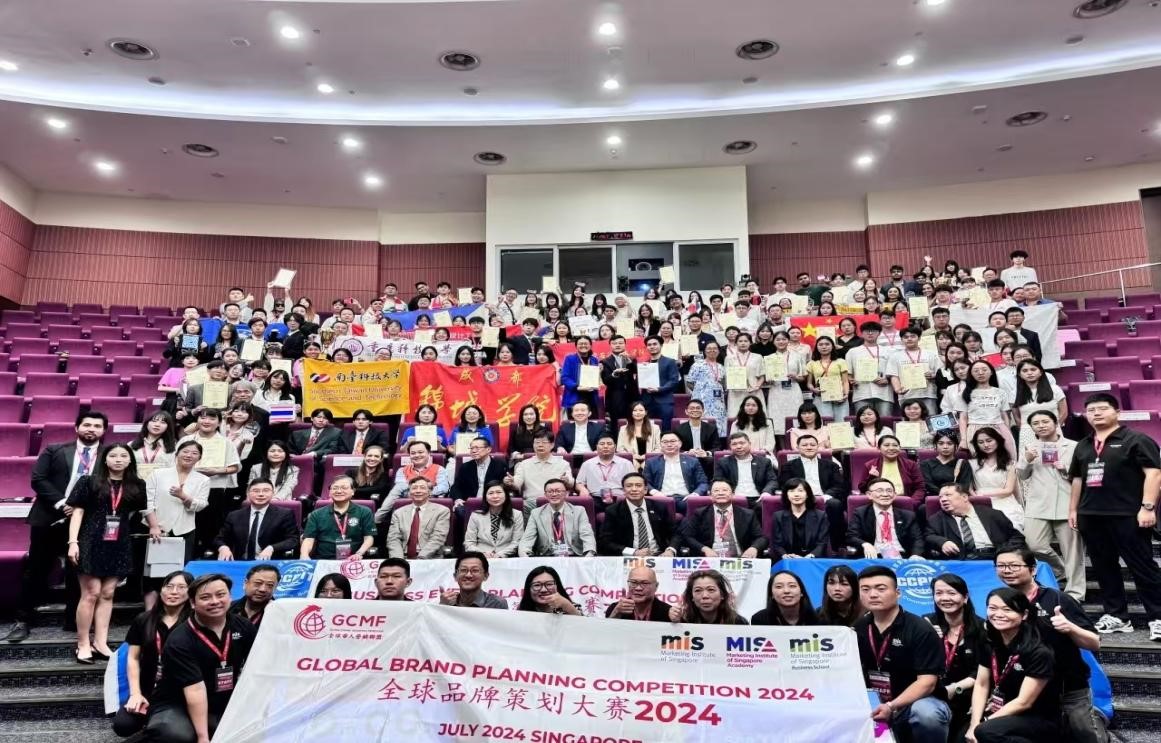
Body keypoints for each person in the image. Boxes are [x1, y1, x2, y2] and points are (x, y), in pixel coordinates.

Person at [7, 411, 107, 643]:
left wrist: (84, 508)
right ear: (77, 428)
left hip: (86, 520)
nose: (91, 429)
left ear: (103, 431)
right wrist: (63, 504)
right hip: (49, 517)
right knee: (36, 569)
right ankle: (23, 619)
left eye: (97, 426)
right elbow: (38, 479)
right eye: (87, 425)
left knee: (78, 571)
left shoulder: (108, 455)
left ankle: (73, 619)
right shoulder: (54, 450)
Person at [1068, 392, 1161, 639]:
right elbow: (1077, 480)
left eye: (1102, 408)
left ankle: (1158, 617)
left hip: (1128, 515)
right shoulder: (1083, 445)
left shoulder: (1136, 440)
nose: (1096, 413)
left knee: (1143, 567)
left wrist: (1148, 507)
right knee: (1104, 568)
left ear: (1117, 412)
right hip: (1091, 515)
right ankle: (1118, 616)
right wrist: (1073, 510)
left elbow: (1154, 474)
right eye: (1091, 410)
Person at [993, 545, 1105, 742]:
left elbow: (1094, 643)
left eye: (1014, 565)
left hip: (1066, 688)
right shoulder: (999, 602)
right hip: (1023, 688)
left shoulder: (1058, 599)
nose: (1007, 570)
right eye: (1001, 566)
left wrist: (1071, 628)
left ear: (1033, 569)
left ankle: (1096, 719)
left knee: (1084, 734)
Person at [144, 573, 257, 743]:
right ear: (192, 603)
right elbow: (195, 690)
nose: (215, 601)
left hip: (222, 698)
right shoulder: (180, 640)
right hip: (178, 701)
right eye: (205, 597)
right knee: (175, 734)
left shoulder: (244, 626)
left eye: (220, 594)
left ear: (230, 596)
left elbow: (259, 665)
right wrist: (202, 737)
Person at [67, 444, 146, 663]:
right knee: (91, 592)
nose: (118, 459)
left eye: (123, 456)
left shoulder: (137, 485)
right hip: (90, 540)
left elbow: (134, 513)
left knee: (108, 593)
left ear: (130, 460)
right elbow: (77, 512)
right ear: (105, 459)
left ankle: (100, 642)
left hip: (118, 542)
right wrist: (73, 542)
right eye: (113, 455)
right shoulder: (89, 481)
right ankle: (83, 643)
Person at [855, 565, 950, 743]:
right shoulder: (858, 628)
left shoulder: (920, 629)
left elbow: (927, 683)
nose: (872, 594)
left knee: (927, 714)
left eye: (880, 588)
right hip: (876, 702)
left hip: (914, 703)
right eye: (865, 589)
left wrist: (891, 706)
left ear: (897, 593)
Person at [966, 588, 1060, 743]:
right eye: (993, 608)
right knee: (965, 734)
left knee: (986, 732)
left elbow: (1024, 702)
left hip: (1037, 718)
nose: (998, 614)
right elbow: (982, 684)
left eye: (1007, 609)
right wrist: (974, 723)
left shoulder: (1039, 652)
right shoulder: (989, 642)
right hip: (1001, 710)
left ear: (1024, 614)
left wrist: (983, 723)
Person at [113, 569, 193, 737]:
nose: (174, 592)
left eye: (181, 587)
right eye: (169, 586)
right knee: (123, 725)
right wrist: (136, 694)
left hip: (182, 692)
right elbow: (133, 658)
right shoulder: (144, 619)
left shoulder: (195, 621)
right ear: (161, 590)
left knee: (170, 732)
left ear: (191, 592)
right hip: (149, 688)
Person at [1017, 410, 1084, 600]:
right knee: (1033, 544)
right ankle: (1059, 569)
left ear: (1056, 423)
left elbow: (1081, 476)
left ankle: (1075, 593)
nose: (1041, 426)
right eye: (1036, 423)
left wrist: (1065, 469)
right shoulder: (1030, 447)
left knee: (1073, 552)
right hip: (1038, 504)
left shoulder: (1074, 446)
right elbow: (1022, 476)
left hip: (1066, 503)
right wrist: (1027, 460)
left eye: (1045, 421)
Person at [926, 574, 987, 743]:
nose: (945, 598)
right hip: (932, 694)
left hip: (969, 697)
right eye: (939, 593)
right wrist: (929, 641)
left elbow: (982, 671)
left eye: (951, 593)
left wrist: (955, 688)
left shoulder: (982, 628)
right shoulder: (926, 623)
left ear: (965, 597)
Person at [144, 440, 210, 572]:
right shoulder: (158, 474)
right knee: (153, 571)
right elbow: (147, 501)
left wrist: (183, 496)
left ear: (199, 458)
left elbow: (201, 505)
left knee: (179, 571)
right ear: (177, 454)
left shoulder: (203, 479)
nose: (189, 455)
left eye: (194, 453)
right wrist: (154, 526)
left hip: (185, 529)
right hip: (156, 528)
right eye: (185, 451)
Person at [925, 484, 1022, 560]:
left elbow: (1017, 537)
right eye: (940, 497)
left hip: (994, 558)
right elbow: (928, 536)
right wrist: (942, 542)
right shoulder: (936, 519)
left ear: (964, 497)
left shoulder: (992, 514)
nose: (943, 499)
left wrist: (1006, 553)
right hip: (960, 560)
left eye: (948, 495)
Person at [213, 479, 299, 561]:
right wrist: (223, 547)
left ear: (273, 493)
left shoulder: (284, 514)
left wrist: (272, 548)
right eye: (256, 491)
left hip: (270, 563)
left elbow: (293, 540)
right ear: (248, 493)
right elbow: (219, 539)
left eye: (266, 490)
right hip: (241, 562)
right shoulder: (234, 515)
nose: (261, 494)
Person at [677, 479, 767, 557]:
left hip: (740, 559)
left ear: (733, 494)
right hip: (711, 559)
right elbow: (688, 536)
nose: (720, 493)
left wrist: (753, 548)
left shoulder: (748, 514)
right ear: (710, 495)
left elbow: (761, 538)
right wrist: (704, 549)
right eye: (716, 491)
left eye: (725, 490)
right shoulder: (700, 514)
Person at [598, 472, 677, 556]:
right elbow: (605, 541)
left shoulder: (659, 507)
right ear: (623, 490)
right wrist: (633, 552)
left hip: (659, 555)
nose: (634, 489)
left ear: (645, 490)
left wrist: (670, 550)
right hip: (629, 557)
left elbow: (675, 533)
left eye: (638, 485)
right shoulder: (613, 511)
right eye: (629, 486)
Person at [300, 477, 376, 560]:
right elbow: (308, 539)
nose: (339, 491)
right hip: (324, 560)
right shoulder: (317, 514)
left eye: (344, 488)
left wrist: (359, 553)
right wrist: (304, 555)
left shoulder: (364, 512)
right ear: (329, 493)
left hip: (354, 560)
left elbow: (369, 538)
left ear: (353, 491)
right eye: (335, 488)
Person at [847, 478, 924, 559]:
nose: (885, 494)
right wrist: (865, 544)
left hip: (902, 556)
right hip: (873, 556)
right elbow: (851, 536)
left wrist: (915, 555)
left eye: (889, 491)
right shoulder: (861, 513)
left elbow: (917, 539)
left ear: (894, 495)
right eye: (879, 491)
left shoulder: (908, 515)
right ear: (869, 495)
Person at [518, 479, 597, 557]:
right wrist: (524, 554)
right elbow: (527, 538)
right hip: (547, 557)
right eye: (550, 491)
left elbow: (587, 535)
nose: (554, 494)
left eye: (558, 491)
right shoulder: (536, 513)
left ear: (566, 493)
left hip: (573, 556)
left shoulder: (579, 511)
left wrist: (589, 554)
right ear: (545, 495)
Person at [509, 431, 574, 517]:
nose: (540, 445)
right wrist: (511, 482)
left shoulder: (563, 464)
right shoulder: (524, 464)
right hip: (532, 503)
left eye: (544, 442)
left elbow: (571, 483)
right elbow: (517, 483)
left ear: (552, 445)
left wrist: (567, 481)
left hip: (554, 502)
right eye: (537, 442)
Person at [970, 427, 1022, 531]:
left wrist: (984, 494)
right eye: (981, 442)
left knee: (1011, 526)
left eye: (989, 440)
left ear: (997, 440)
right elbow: (969, 488)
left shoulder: (1010, 463)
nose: (985, 445)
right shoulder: (972, 463)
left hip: (1005, 501)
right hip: (981, 502)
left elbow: (1009, 490)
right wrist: (976, 497)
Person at [642, 432, 709, 512]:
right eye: (665, 442)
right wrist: (655, 493)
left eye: (673, 441)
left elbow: (703, 483)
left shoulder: (692, 461)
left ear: (680, 444)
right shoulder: (651, 462)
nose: (669, 445)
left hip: (685, 499)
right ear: (661, 444)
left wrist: (694, 495)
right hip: (662, 499)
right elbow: (645, 482)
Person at [386, 477, 451, 559]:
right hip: (403, 557)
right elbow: (393, 539)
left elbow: (438, 538)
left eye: (422, 488)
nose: (418, 491)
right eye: (414, 488)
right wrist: (398, 560)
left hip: (430, 558)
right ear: (409, 492)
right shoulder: (398, 513)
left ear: (430, 492)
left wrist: (420, 558)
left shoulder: (442, 511)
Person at [381, 441, 449, 515]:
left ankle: (379, 516)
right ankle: (379, 517)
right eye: (413, 453)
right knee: (397, 489)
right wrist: (428, 486)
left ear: (429, 453)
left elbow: (443, 488)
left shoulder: (439, 469)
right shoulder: (402, 470)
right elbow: (401, 488)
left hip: (431, 503)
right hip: (407, 504)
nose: (417, 455)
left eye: (420, 452)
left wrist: (422, 493)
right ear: (409, 455)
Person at [847, 321, 896, 418]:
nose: (870, 333)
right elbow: (849, 373)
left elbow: (894, 372)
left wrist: (887, 380)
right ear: (861, 333)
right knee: (863, 421)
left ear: (879, 333)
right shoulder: (853, 352)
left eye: (873, 331)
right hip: (862, 393)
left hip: (884, 393)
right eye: (867, 331)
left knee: (885, 421)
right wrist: (852, 381)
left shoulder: (888, 351)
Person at [770, 479, 829, 559]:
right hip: (788, 560)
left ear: (807, 494)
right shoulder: (778, 516)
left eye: (800, 491)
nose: (796, 494)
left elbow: (822, 543)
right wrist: (785, 555)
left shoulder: (821, 516)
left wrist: (810, 556)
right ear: (786, 495)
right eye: (792, 491)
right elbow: (777, 544)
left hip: (812, 560)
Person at [713, 432, 778, 505]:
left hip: (758, 498)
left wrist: (766, 492)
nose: (738, 446)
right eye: (734, 444)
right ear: (730, 447)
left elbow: (772, 481)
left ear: (749, 444)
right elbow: (717, 481)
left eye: (742, 443)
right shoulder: (723, 463)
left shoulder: (764, 462)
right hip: (734, 499)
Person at [463, 481, 525, 557]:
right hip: (481, 557)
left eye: (499, 492)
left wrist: (500, 554)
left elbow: (517, 542)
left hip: (506, 557)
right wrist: (482, 554)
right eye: (491, 493)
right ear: (485, 497)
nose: (495, 496)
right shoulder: (476, 516)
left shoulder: (517, 515)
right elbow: (469, 543)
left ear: (506, 495)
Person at [574, 433, 636, 509]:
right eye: (602, 444)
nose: (606, 446)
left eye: (609, 444)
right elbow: (579, 483)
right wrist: (582, 489)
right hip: (595, 498)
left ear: (615, 447)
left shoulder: (626, 463)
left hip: (619, 498)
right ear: (597, 447)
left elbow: (634, 481)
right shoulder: (587, 464)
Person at [667, 569, 748, 625]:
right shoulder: (683, 620)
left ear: (722, 595)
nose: (705, 596)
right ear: (691, 596)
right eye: (698, 590)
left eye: (711, 590)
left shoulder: (738, 622)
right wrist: (676, 623)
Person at [857, 435, 925, 502]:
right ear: (879, 448)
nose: (891, 448)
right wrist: (871, 477)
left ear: (899, 448)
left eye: (895, 445)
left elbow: (920, 488)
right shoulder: (870, 465)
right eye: (886, 445)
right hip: (878, 502)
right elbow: (863, 489)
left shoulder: (911, 464)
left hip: (904, 502)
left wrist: (911, 503)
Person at [639, 335, 682, 430]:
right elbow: (641, 382)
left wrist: (659, 389)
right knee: (647, 429)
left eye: (655, 344)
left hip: (664, 401)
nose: (652, 346)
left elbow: (674, 381)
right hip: (647, 401)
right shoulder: (644, 364)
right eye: (649, 345)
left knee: (665, 429)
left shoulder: (670, 361)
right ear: (646, 347)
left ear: (661, 345)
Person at [439, 552, 508, 609]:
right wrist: (442, 607)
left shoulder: (497, 604)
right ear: (455, 576)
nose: (468, 575)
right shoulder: (447, 602)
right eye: (463, 570)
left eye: (475, 570)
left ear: (485, 576)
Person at [605, 566, 673, 621]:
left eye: (645, 583)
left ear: (656, 586)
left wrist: (676, 621)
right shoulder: (615, 608)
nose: (638, 588)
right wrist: (616, 613)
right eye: (633, 582)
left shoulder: (667, 612)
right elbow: (606, 632)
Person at [751, 571, 819, 626]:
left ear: (801, 592)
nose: (786, 591)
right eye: (779, 587)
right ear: (772, 594)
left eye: (792, 586)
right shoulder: (760, 619)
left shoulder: (818, 619)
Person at [599, 334, 639, 428]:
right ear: (610, 345)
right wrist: (614, 374)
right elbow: (606, 380)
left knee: (633, 423)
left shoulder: (631, 359)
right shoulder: (605, 362)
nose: (617, 345)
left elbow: (638, 372)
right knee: (616, 424)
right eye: (614, 343)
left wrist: (629, 361)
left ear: (625, 345)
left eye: (620, 343)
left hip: (632, 396)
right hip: (615, 397)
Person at [921, 431, 973, 497]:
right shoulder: (926, 464)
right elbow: (927, 484)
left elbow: (964, 485)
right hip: (933, 498)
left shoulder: (963, 463)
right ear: (935, 445)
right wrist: (944, 494)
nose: (945, 447)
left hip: (956, 498)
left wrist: (950, 495)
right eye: (941, 443)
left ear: (956, 446)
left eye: (949, 443)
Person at [684, 342, 727, 423]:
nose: (712, 350)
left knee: (718, 423)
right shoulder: (698, 365)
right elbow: (689, 382)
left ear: (718, 351)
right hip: (702, 400)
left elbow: (723, 384)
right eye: (709, 348)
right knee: (702, 423)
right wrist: (701, 391)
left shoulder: (721, 367)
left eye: (715, 348)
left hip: (718, 401)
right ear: (704, 351)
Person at [616, 401, 661, 467]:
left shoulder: (655, 428)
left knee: (646, 465)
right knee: (632, 465)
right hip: (630, 459)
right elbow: (620, 449)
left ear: (645, 412)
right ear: (631, 413)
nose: (638, 412)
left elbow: (659, 448)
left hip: (650, 459)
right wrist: (633, 457)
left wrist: (646, 456)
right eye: (635, 410)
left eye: (641, 410)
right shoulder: (623, 429)